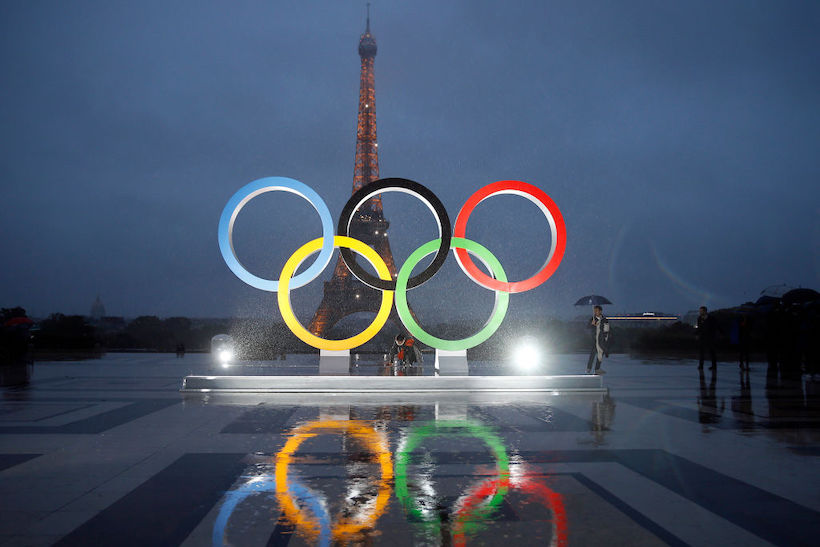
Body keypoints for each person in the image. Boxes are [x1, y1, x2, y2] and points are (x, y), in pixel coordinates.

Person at [586, 306, 610, 374]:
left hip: (601, 339)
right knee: (593, 354)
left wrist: (606, 337)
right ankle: (589, 368)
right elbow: (588, 327)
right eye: (594, 310)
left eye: (596, 310)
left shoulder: (604, 319)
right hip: (595, 339)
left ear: (600, 311)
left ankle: (597, 369)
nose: (595, 312)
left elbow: (607, 329)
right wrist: (592, 324)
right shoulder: (592, 319)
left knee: (600, 354)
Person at [697, 306, 717, 370]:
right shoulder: (699, 318)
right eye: (700, 311)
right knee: (701, 352)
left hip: (710, 337)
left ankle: (714, 366)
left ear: (705, 311)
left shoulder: (711, 318)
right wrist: (697, 334)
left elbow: (714, 327)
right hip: (702, 337)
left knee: (712, 352)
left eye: (701, 311)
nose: (700, 312)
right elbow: (699, 327)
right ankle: (701, 365)